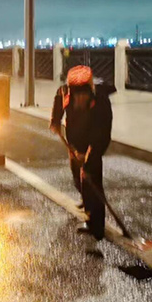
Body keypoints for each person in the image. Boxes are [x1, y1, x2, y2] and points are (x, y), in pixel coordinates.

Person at [49, 65, 114, 240]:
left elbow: (102, 136)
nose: (79, 99)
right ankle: (86, 199)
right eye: (76, 96)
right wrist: (55, 120)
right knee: (78, 178)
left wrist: (89, 156)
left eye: (83, 96)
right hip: (74, 142)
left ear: (90, 93)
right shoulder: (65, 92)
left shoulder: (101, 102)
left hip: (93, 142)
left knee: (92, 181)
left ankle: (96, 226)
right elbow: (58, 100)